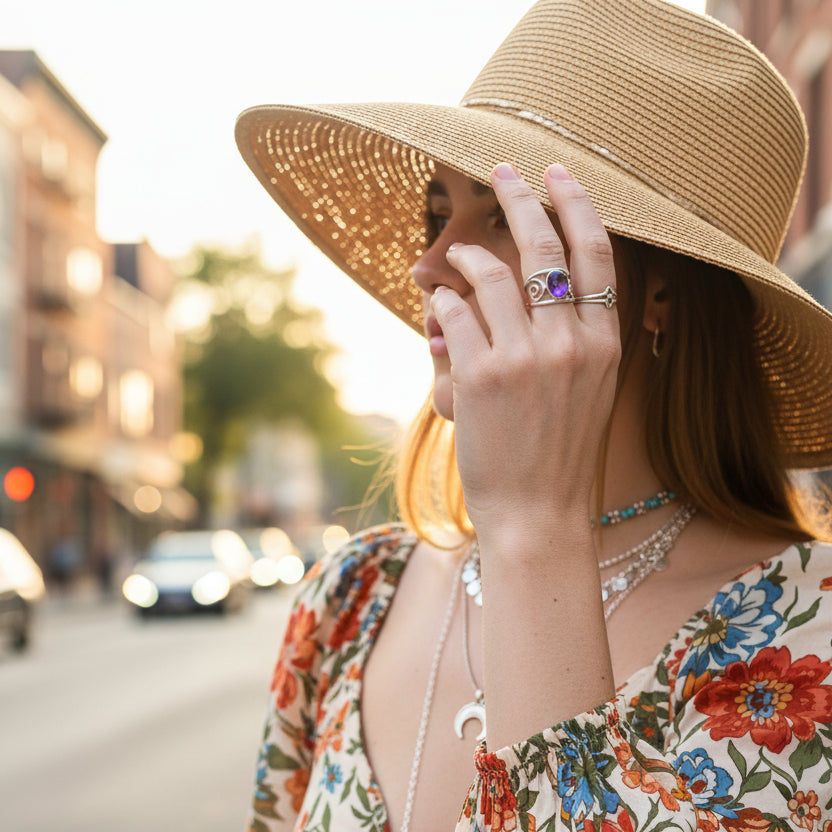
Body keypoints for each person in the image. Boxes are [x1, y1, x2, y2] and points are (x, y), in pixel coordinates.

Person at [234, 0, 832, 830]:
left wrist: (534, 527)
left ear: (657, 292)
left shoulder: (812, 638)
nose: (430, 266)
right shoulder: (347, 602)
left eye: (505, 220)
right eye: (439, 213)